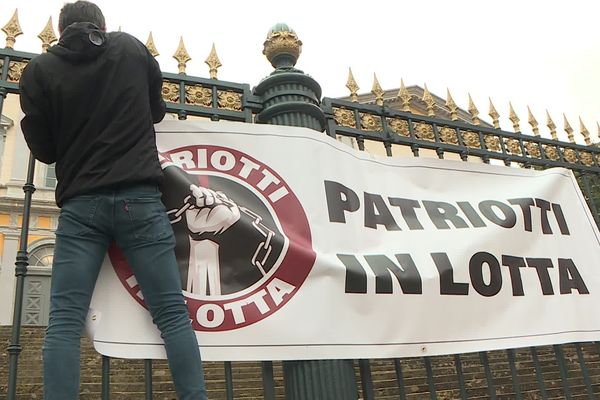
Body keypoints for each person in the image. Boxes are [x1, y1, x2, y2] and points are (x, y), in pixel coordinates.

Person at [18, 1, 208, 399]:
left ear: (59, 29)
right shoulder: (132, 49)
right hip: (139, 199)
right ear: (101, 25)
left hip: (81, 205)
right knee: (172, 315)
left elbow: (45, 150)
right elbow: (156, 111)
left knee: (65, 321)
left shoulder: (39, 71)